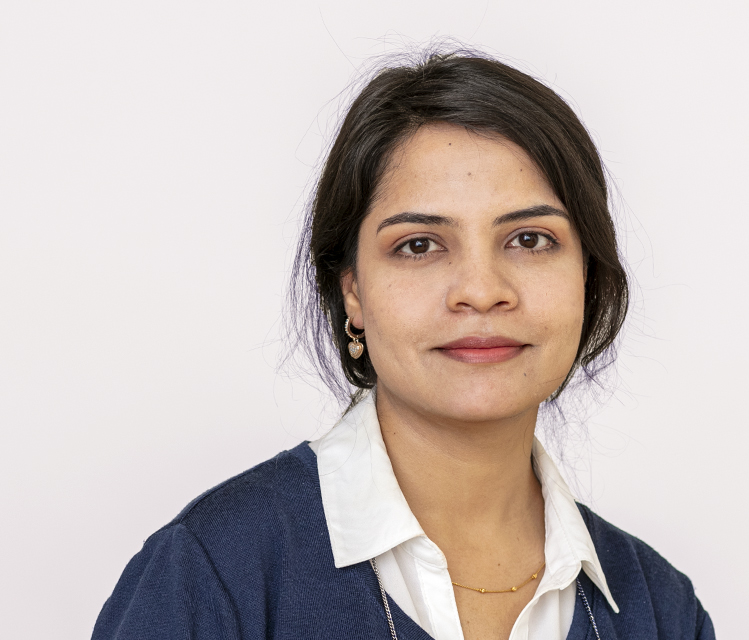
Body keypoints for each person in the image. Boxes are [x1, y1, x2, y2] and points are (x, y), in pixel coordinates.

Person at [93, 50, 714, 640]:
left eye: (529, 240)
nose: (481, 291)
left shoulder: (661, 609)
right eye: (419, 245)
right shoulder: (213, 573)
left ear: (588, 278)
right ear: (353, 291)